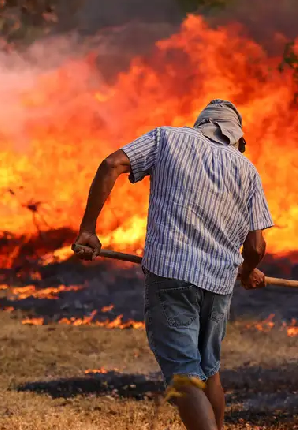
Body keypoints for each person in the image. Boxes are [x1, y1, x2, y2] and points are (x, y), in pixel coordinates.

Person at [72, 99, 274, 430]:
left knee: (184, 374)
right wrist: (248, 269)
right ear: (236, 136)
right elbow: (256, 246)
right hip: (218, 285)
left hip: (171, 276)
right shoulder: (247, 170)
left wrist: (88, 229)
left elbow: (112, 164)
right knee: (209, 369)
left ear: (201, 124)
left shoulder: (168, 138)